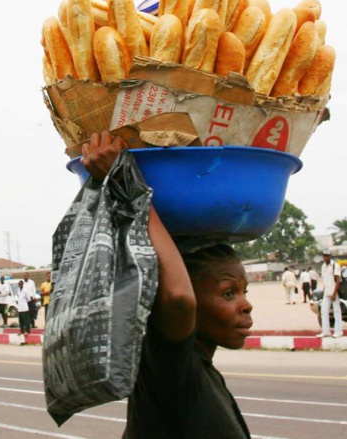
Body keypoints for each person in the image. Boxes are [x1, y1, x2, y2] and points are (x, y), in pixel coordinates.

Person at [80, 131, 252, 438]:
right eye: (228, 293)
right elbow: (177, 298)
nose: (246, 304)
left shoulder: (202, 372)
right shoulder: (167, 368)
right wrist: (124, 182)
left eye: (242, 292)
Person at [317, 250, 343, 338]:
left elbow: (338, 280)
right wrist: (324, 292)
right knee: (323, 311)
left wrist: (334, 293)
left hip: (334, 291)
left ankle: (338, 332)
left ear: (330, 256)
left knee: (336, 311)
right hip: (327, 292)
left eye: (327, 256)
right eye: (324, 256)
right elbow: (325, 280)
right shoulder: (323, 266)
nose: (326, 257)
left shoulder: (335, 265)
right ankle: (326, 331)